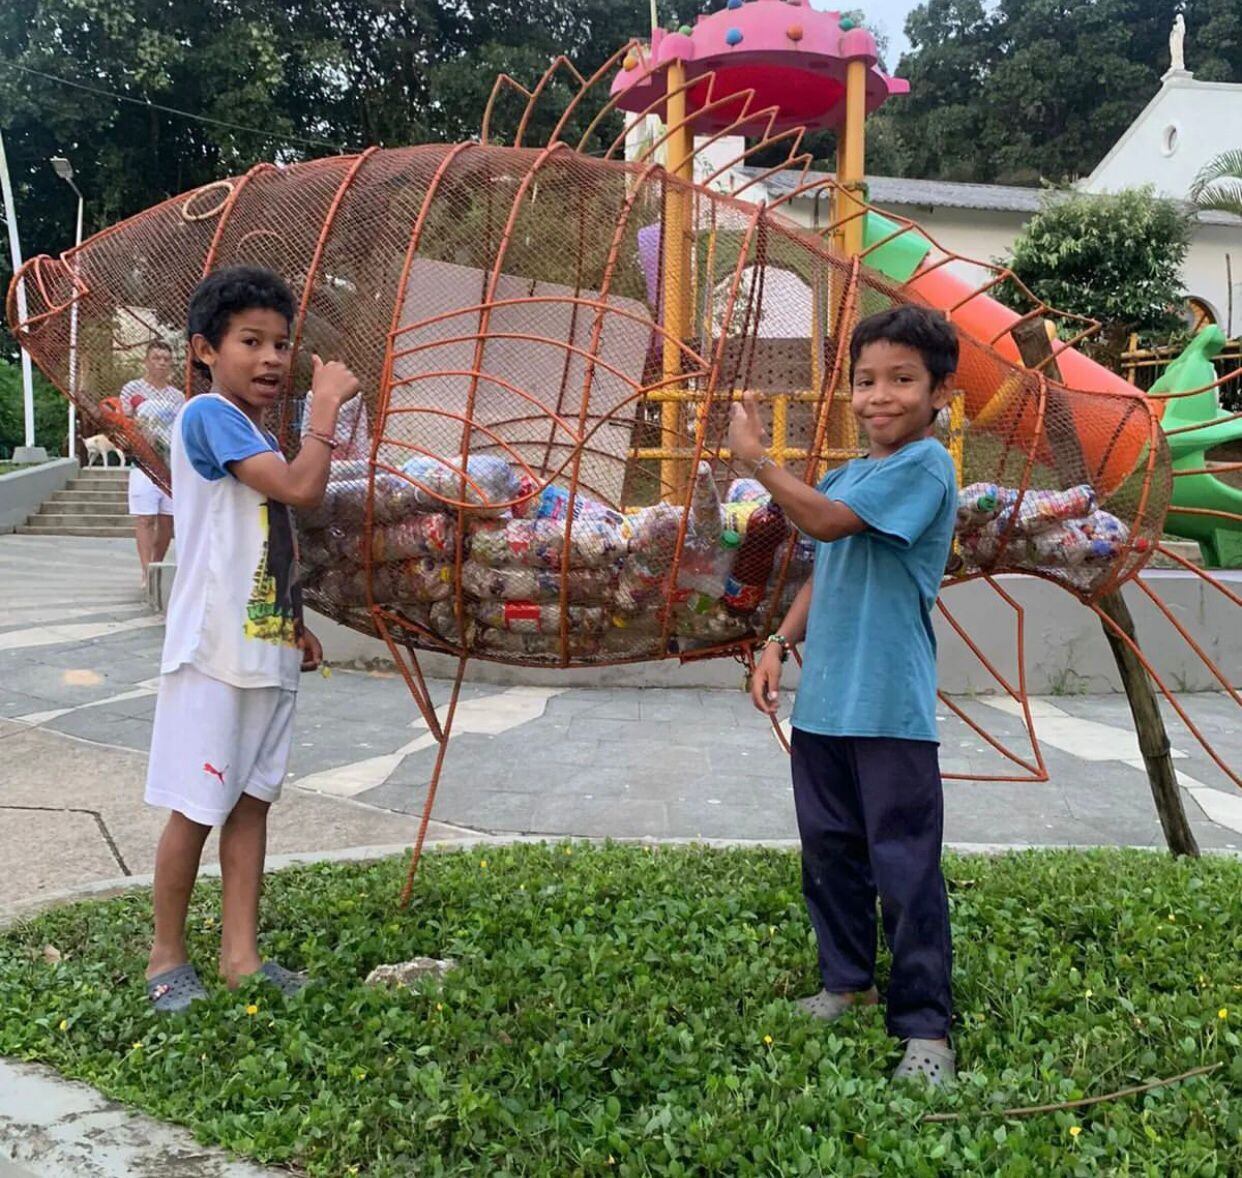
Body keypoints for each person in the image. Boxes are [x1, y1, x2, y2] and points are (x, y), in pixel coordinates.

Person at [727, 305, 960, 1086]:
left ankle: (927, 1028)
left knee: (905, 865)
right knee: (830, 855)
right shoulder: (848, 473)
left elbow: (824, 525)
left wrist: (758, 462)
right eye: (865, 380)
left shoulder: (925, 466)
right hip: (826, 704)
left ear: (937, 393)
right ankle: (847, 983)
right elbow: (823, 570)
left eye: (902, 380)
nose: (880, 396)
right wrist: (777, 642)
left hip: (890, 708)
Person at [144, 265, 359, 1011]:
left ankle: (242, 957)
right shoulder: (209, 416)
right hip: (214, 654)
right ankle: (165, 957)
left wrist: (291, 625)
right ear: (205, 349)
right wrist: (325, 408)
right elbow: (302, 489)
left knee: (250, 805)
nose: (272, 358)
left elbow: (267, 533)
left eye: (281, 343)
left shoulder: (251, 430)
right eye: (250, 341)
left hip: (262, 647)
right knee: (197, 806)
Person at [120, 341, 183, 585]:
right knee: (145, 518)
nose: (161, 363)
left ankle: (157, 565)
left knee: (167, 520)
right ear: (146, 361)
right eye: (156, 358)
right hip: (143, 464)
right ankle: (146, 572)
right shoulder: (131, 389)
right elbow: (125, 421)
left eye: (166, 359)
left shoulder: (177, 396)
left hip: (168, 466)